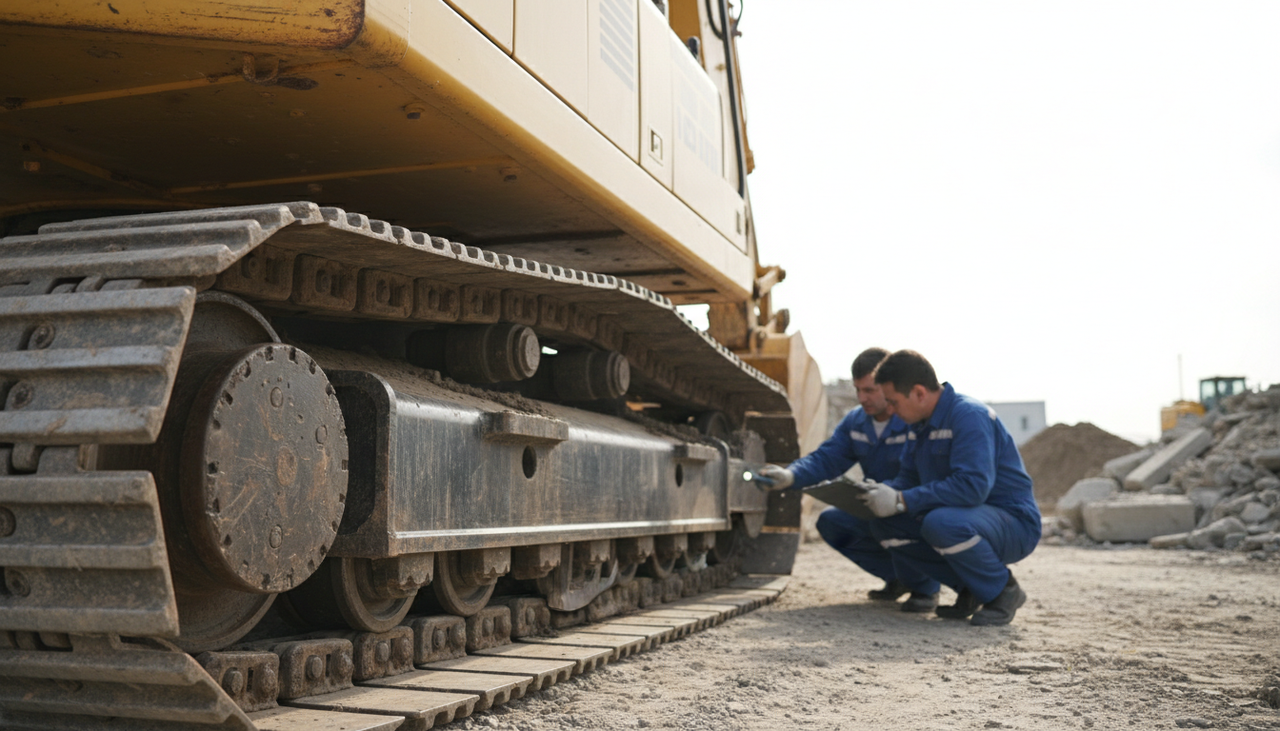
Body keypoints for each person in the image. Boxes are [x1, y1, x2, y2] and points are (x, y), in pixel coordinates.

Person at [859, 350, 1040, 626]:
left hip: (1013, 522)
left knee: (940, 523)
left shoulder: (969, 416)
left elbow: (973, 487)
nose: (891, 410)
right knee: (886, 524)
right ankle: (972, 587)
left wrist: (901, 500)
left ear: (919, 393)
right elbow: (908, 478)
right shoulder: (919, 425)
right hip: (968, 517)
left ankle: (1004, 592)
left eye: (894, 402)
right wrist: (883, 492)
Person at [759, 348, 938, 612]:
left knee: (913, 524)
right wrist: (791, 475)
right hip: (876, 505)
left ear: (890, 386)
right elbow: (827, 458)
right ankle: (897, 577)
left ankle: (925, 586)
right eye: (858, 390)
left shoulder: (915, 420)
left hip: (909, 508)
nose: (861, 398)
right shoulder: (856, 422)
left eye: (869, 390)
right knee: (832, 522)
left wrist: (896, 495)